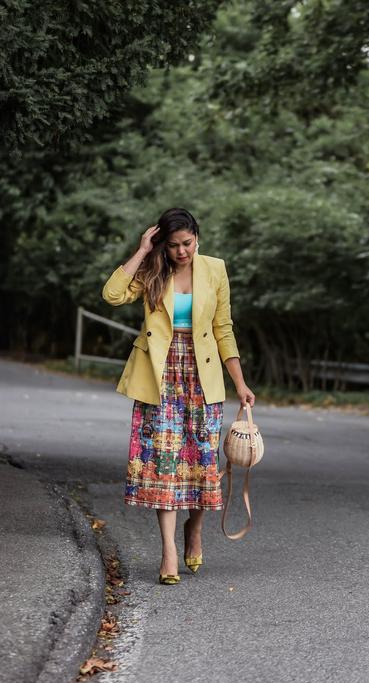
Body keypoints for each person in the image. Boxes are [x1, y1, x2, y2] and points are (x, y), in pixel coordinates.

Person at [101, 207, 255, 585]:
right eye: (173, 246)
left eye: (187, 243)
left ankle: (195, 529)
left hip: (203, 375)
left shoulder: (215, 269)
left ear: (197, 238)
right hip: (160, 374)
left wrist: (240, 382)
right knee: (164, 463)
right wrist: (142, 251)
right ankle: (169, 550)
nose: (181, 252)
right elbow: (112, 294)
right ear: (162, 245)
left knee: (202, 460)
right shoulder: (153, 270)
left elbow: (223, 329)